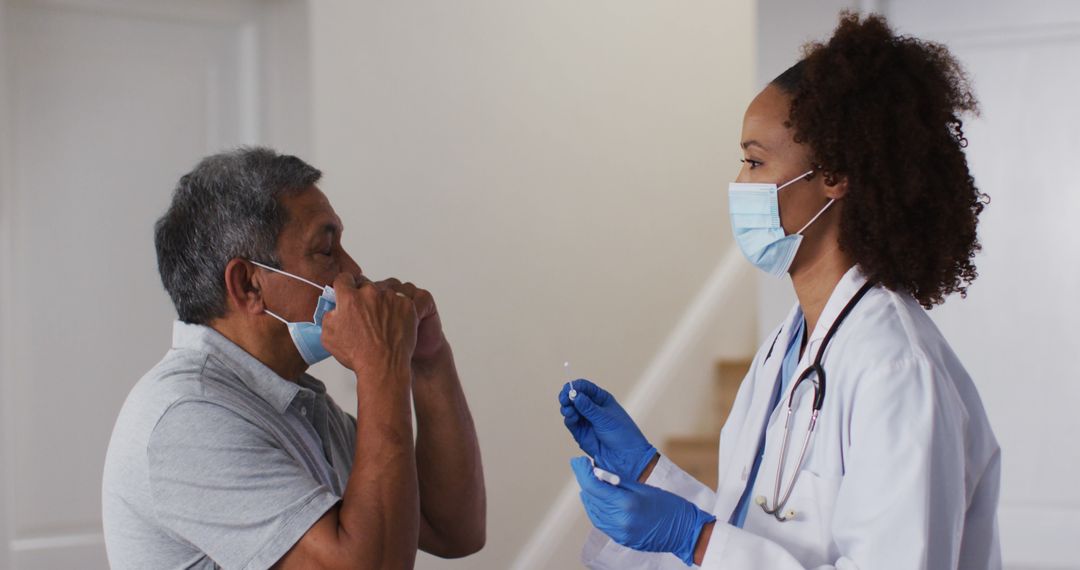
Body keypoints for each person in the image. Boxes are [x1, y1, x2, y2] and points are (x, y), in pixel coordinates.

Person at [558, 12, 1000, 569]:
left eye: (754, 160)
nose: (739, 185)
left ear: (834, 175)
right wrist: (649, 472)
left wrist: (692, 537)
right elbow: (755, 533)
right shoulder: (787, 350)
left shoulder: (895, 368)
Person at [102, 148, 485, 569]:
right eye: (326, 251)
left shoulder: (294, 400)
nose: (352, 270)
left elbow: (453, 529)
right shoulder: (185, 415)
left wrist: (428, 361)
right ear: (249, 284)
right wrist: (380, 366)